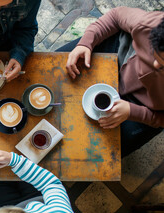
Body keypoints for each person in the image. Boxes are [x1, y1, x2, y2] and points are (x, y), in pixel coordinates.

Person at [59, 7, 164, 157]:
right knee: (55, 68)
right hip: (118, 53)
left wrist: (133, 112)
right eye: (155, 54)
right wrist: (86, 43)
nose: (154, 65)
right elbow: (115, 16)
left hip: (144, 108)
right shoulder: (152, 26)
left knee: (94, 155)